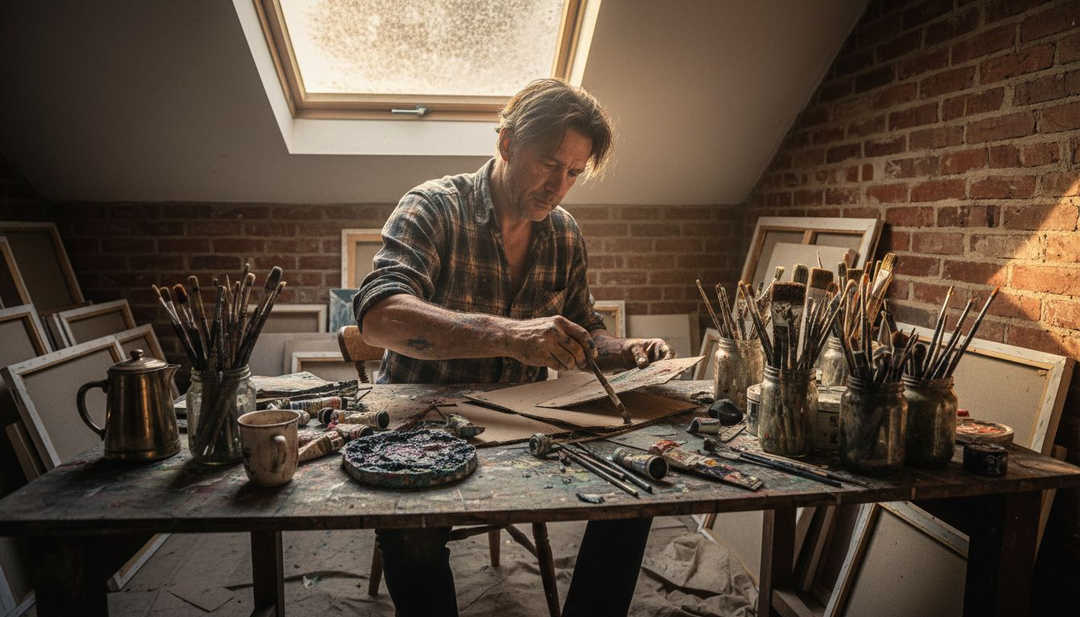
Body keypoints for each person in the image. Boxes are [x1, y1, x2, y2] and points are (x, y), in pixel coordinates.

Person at [354, 78, 674, 617]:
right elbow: (379, 317)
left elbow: (585, 327)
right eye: (549, 164)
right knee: (410, 535)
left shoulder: (564, 233)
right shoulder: (433, 207)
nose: (558, 187)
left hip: (524, 427)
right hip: (423, 423)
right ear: (506, 143)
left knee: (636, 491)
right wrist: (508, 335)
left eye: (574, 173)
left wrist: (623, 350)